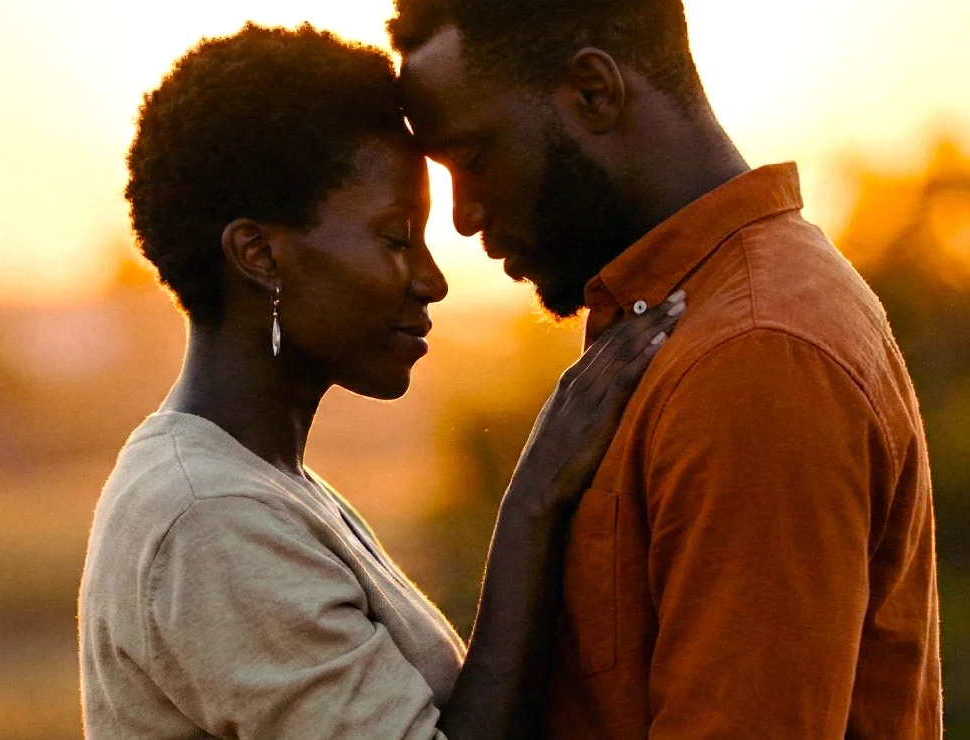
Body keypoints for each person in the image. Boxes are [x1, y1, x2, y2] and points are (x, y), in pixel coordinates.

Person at [77, 24, 684, 739]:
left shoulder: (262, 483)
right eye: (397, 238)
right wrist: (534, 500)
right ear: (259, 254)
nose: (431, 281)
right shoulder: (210, 520)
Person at [390, 0, 943, 737]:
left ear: (593, 92)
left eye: (476, 159)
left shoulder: (752, 355)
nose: (463, 218)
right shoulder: (685, 323)